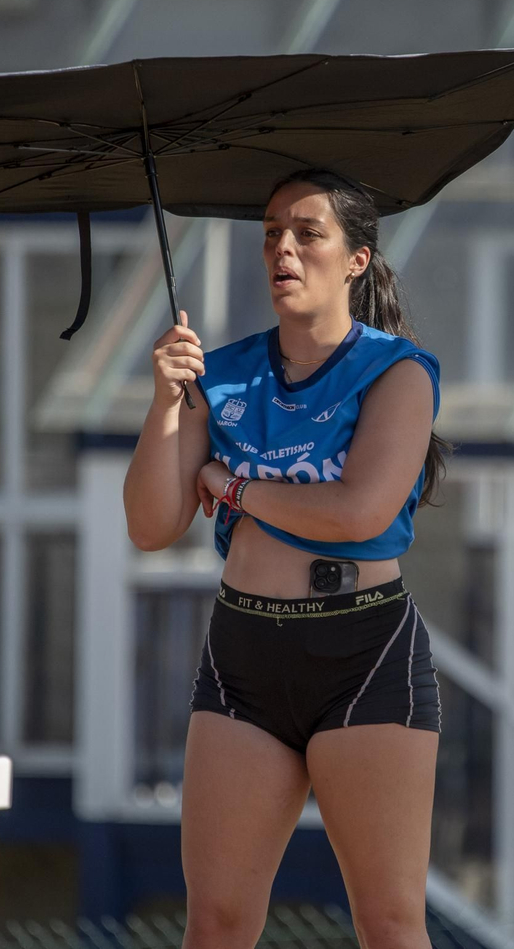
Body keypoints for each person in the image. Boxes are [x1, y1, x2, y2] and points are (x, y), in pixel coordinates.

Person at [122, 168, 448, 949]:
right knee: (217, 923)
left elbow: (357, 512)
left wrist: (233, 486)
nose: (283, 250)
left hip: (362, 651)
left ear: (356, 259)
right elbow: (151, 524)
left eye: (307, 233)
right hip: (244, 652)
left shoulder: (397, 371)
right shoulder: (220, 372)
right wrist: (165, 402)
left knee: (389, 923)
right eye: (272, 233)